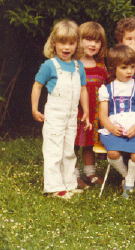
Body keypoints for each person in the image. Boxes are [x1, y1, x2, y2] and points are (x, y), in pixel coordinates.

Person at [31, 20, 90, 199]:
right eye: (62, 43)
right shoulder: (50, 65)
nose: (67, 47)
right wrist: (34, 108)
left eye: (71, 43)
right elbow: (37, 86)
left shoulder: (78, 66)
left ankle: (69, 184)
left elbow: (83, 89)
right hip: (55, 115)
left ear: (76, 45)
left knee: (68, 150)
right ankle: (54, 187)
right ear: (54, 43)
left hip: (71, 116)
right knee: (53, 149)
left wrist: (85, 110)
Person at [98, 45, 135, 199]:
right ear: (113, 68)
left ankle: (129, 182)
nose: (129, 71)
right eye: (124, 67)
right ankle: (129, 179)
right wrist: (111, 128)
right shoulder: (107, 89)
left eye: (132, 67)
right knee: (113, 153)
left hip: (134, 127)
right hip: (115, 128)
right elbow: (103, 115)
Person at [74, 22, 109, 189]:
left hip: (94, 114)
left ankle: (90, 174)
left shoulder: (101, 68)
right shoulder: (73, 64)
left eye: (97, 41)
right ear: (78, 40)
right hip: (76, 113)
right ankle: (73, 175)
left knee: (89, 144)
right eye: (88, 39)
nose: (93, 44)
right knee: (73, 144)